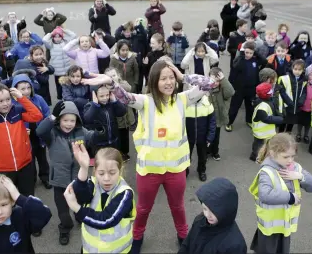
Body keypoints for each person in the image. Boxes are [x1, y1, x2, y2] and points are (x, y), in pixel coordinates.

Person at [81, 60, 216, 253]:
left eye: (171, 78)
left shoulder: (182, 99)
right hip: (149, 171)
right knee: (143, 209)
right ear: (154, 80)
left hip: (176, 170)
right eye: (163, 78)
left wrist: (181, 75)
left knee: (178, 207)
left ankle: (183, 236)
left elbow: (210, 83)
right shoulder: (146, 101)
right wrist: (111, 83)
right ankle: (137, 237)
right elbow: (125, 98)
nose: (169, 82)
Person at [36, 101, 100, 245]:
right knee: (63, 211)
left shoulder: (81, 131)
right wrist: (52, 116)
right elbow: (40, 131)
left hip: (79, 179)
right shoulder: (52, 134)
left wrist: (99, 132)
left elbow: (92, 137)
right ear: (59, 120)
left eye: (72, 120)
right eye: (65, 120)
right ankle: (65, 228)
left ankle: (80, 217)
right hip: (59, 181)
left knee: (81, 204)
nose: (69, 124)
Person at [249, 133, 312, 254]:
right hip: (269, 228)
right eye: (286, 157)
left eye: (293, 156)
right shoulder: (266, 171)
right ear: (272, 153)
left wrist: (300, 176)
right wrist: (291, 197)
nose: (290, 160)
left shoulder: (295, 169)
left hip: (284, 225)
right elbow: (265, 195)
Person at [64, 144, 135, 253]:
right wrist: (83, 168)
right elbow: (81, 194)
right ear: (95, 171)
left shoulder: (125, 194)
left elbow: (106, 220)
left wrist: (76, 208)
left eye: (112, 173)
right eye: (101, 173)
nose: (106, 179)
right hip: (90, 250)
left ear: (120, 171)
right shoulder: (93, 184)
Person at [178, 177, 247, 254]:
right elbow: (187, 244)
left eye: (213, 211)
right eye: (204, 209)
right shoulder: (200, 220)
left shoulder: (235, 246)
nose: (207, 215)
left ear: (227, 210)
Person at [11, 74, 51, 189]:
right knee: (30, 162)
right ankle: (31, 180)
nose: (27, 91)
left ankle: (45, 177)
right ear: (15, 89)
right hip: (25, 139)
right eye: (23, 89)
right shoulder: (13, 104)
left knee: (43, 159)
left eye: (29, 87)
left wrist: (46, 126)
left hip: (40, 136)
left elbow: (47, 114)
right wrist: (22, 129)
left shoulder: (38, 98)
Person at [226, 42, 267, 132]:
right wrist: (241, 54)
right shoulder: (240, 60)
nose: (248, 55)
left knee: (250, 107)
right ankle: (229, 122)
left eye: (251, 53)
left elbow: (264, 61)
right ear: (244, 51)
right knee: (235, 106)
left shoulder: (255, 60)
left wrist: (256, 53)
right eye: (247, 52)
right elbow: (235, 67)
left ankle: (249, 121)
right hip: (239, 89)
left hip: (251, 89)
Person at [184, 85, 216, 181]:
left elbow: (212, 122)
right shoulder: (184, 103)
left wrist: (210, 137)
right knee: (186, 156)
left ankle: (201, 171)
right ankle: (185, 171)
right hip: (187, 138)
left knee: (203, 156)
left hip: (203, 137)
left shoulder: (207, 103)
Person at [83, 86, 127, 153]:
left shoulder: (111, 105)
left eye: (107, 95)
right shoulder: (90, 106)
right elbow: (87, 119)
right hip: (98, 143)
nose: (105, 98)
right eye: (101, 96)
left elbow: (122, 112)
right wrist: (95, 105)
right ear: (95, 95)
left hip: (113, 141)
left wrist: (115, 101)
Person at [105, 67, 135, 162]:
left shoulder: (123, 84)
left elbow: (129, 88)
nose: (112, 78)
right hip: (115, 118)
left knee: (125, 137)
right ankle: (116, 153)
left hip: (125, 117)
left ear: (118, 75)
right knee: (115, 136)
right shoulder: (105, 88)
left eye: (114, 75)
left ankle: (125, 153)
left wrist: (116, 86)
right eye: (109, 77)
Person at [250, 82, 283, 162]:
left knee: (261, 144)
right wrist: (279, 119)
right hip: (261, 131)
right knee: (259, 145)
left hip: (264, 131)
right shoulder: (262, 106)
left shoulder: (264, 101)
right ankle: (255, 156)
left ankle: (259, 155)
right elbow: (266, 119)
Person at [207, 67, 235, 161]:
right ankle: (207, 151)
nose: (214, 83)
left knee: (216, 137)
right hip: (206, 118)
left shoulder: (223, 89)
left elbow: (231, 92)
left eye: (217, 81)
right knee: (206, 136)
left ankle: (215, 152)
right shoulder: (205, 89)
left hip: (217, 118)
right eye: (212, 80)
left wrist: (223, 80)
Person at [43, 26, 76, 100]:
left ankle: (68, 98)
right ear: (53, 37)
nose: (57, 39)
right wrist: (51, 33)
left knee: (68, 85)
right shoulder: (51, 45)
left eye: (59, 37)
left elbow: (73, 35)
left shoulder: (66, 42)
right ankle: (60, 99)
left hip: (67, 70)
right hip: (57, 71)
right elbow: (44, 40)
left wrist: (64, 30)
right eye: (55, 37)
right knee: (59, 87)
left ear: (62, 37)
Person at [277, 59, 307, 133]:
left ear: (303, 70)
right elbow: (282, 92)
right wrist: (289, 102)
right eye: (295, 69)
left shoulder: (304, 80)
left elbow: (304, 92)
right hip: (286, 106)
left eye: (299, 70)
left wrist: (301, 101)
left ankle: (288, 135)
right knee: (283, 122)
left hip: (296, 106)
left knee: (291, 122)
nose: (297, 71)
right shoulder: (285, 78)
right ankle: (280, 135)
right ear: (292, 68)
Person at [296, 62, 312, 143]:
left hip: (311, 107)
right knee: (300, 122)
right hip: (302, 106)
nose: (311, 77)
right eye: (310, 74)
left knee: (308, 123)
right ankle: (298, 134)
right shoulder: (304, 82)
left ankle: (306, 135)